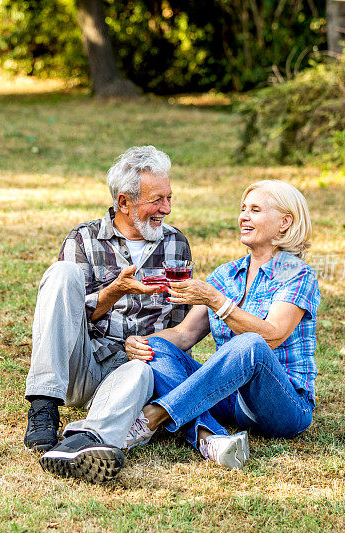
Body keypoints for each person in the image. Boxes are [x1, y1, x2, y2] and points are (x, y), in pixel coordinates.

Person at [124, 179, 320, 469]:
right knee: (155, 345)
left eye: (255, 210)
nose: (244, 217)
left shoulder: (297, 274)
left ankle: (155, 415)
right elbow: (184, 333)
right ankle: (209, 437)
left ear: (284, 222)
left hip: (283, 405)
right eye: (243, 209)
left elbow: (273, 337)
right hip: (228, 399)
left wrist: (217, 301)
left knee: (251, 343)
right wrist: (140, 343)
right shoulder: (226, 274)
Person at [24, 145, 192, 483]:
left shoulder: (176, 245)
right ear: (124, 202)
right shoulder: (84, 239)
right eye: (156, 200)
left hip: (133, 370)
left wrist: (147, 346)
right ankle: (43, 404)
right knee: (61, 275)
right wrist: (115, 291)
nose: (167, 209)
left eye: (169, 197)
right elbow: (66, 320)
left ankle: (82, 442)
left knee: (142, 373)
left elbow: (181, 328)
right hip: (83, 364)